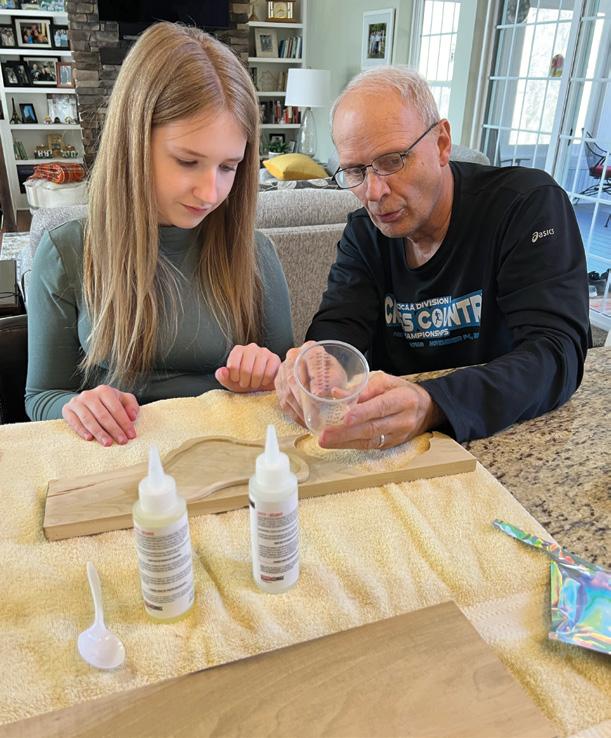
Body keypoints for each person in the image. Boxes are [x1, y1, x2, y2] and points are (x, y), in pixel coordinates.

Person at [275, 66, 589, 448]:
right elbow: (339, 326)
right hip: (392, 442)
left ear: (442, 143)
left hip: (509, 432)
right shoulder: (364, 234)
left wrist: (433, 403)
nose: (374, 193)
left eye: (393, 160)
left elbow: (556, 353)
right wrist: (317, 365)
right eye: (356, 171)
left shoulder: (526, 206)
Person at [26, 22, 294, 446]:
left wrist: (267, 374)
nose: (211, 193)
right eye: (187, 161)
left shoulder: (256, 254)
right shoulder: (66, 252)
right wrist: (76, 406)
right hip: (118, 454)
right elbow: (41, 396)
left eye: (229, 167)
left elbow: (287, 381)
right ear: (132, 144)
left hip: (230, 450)